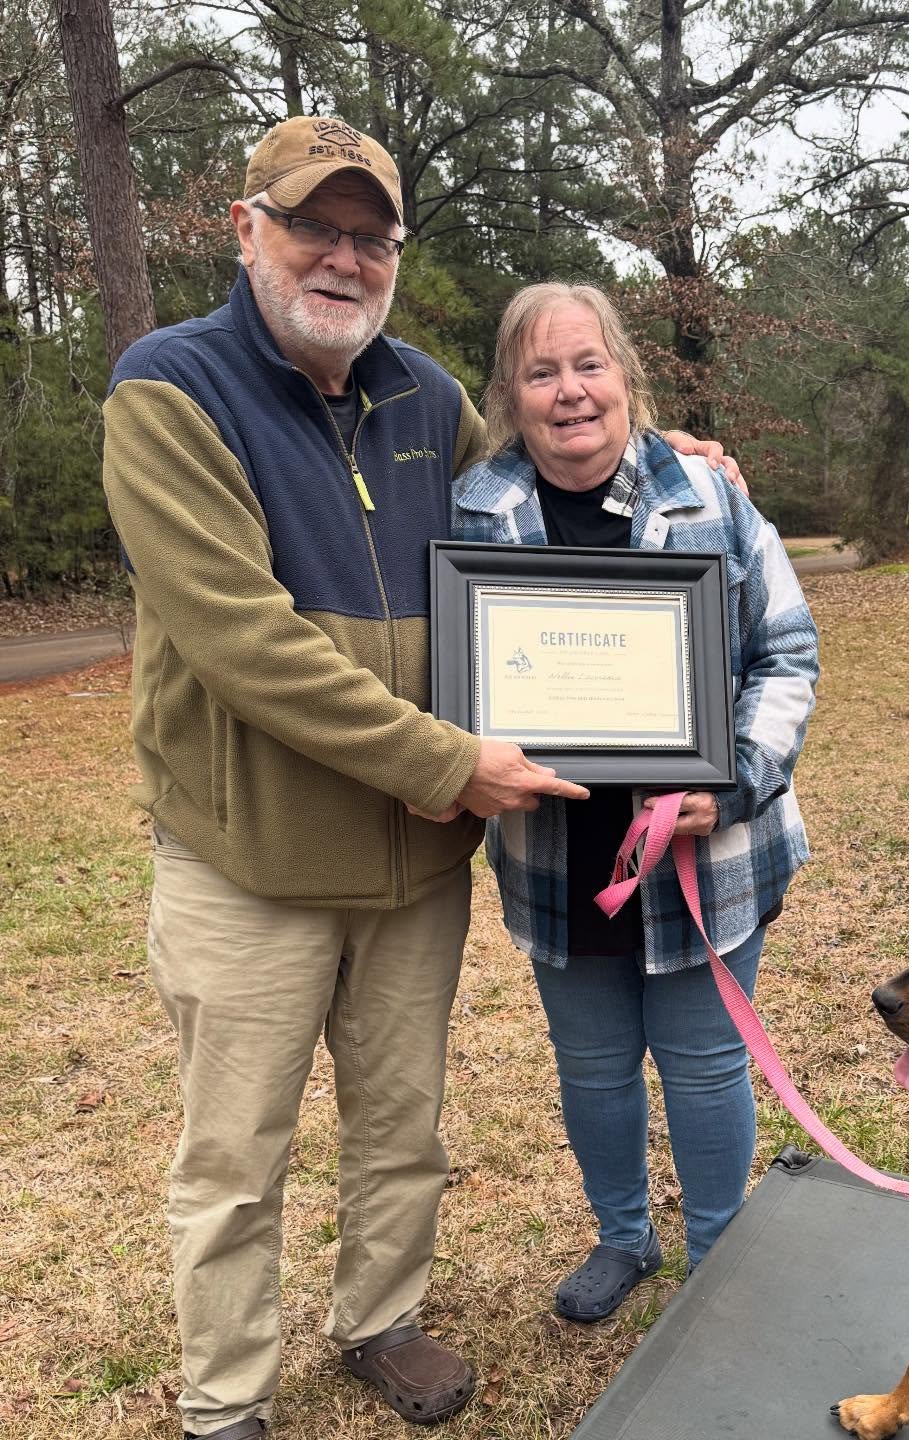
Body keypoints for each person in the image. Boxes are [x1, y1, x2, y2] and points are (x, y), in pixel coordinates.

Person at [102, 117, 736, 1440]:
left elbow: (535, 525)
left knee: (402, 1128)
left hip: (413, 869)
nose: (341, 257)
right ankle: (227, 1403)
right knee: (235, 1161)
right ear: (247, 230)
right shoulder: (169, 391)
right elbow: (246, 644)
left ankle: (380, 1319)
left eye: (368, 236)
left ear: (393, 254)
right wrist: (450, 759)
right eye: (312, 227)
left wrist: (668, 462)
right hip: (253, 863)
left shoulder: (428, 397)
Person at [450, 283, 818, 1321]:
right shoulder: (474, 510)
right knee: (595, 1065)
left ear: (625, 377)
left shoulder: (713, 498)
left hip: (706, 852)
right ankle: (623, 1237)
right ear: (511, 395)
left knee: (704, 1065)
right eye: (541, 372)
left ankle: (716, 1266)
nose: (569, 392)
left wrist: (732, 775)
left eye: (588, 365)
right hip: (558, 855)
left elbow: (787, 653)